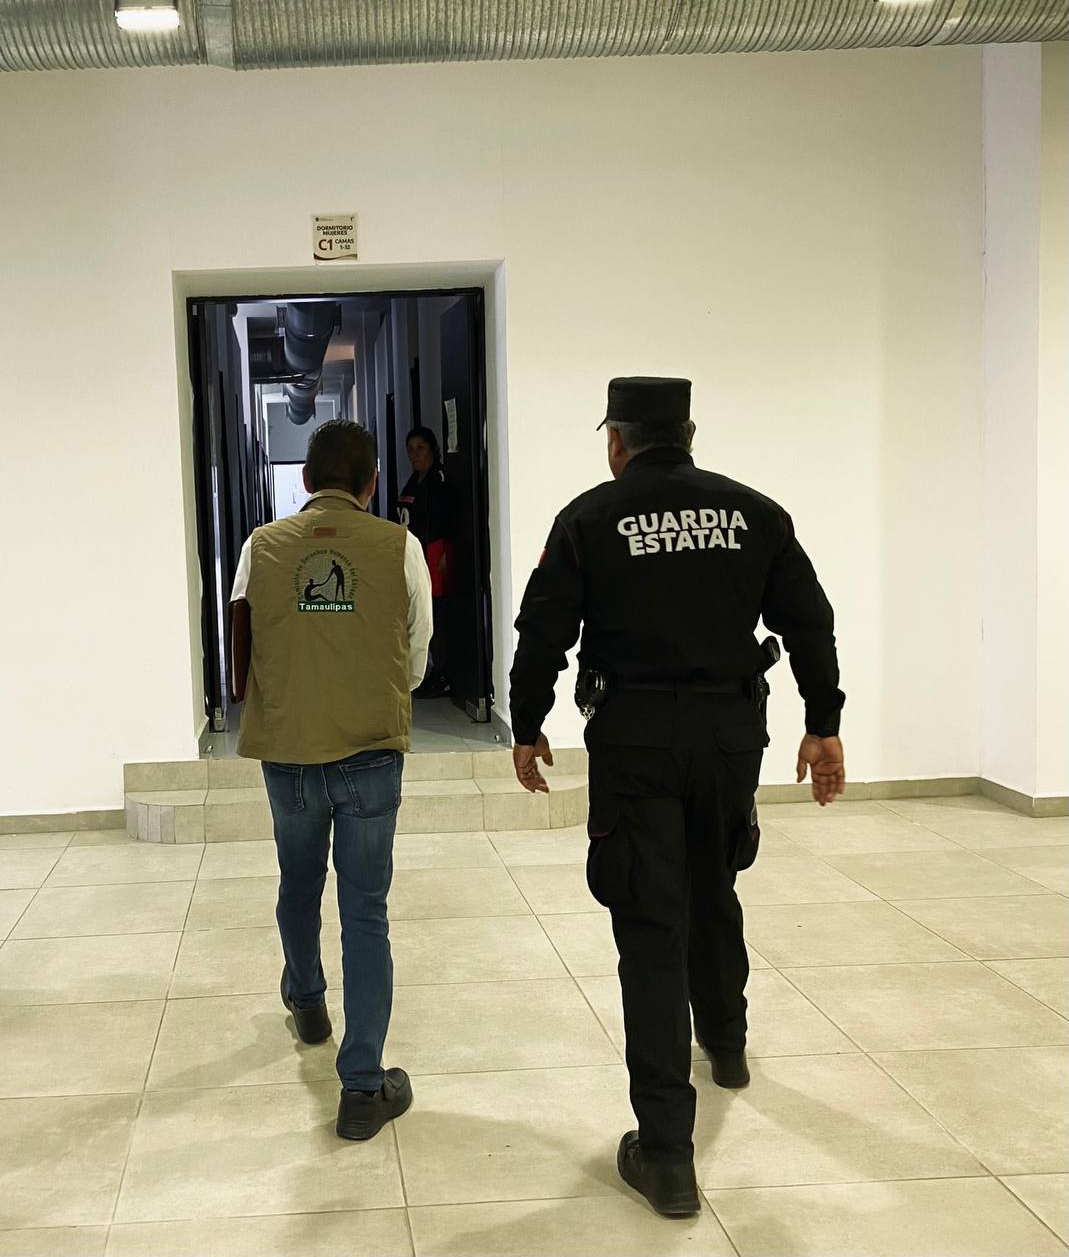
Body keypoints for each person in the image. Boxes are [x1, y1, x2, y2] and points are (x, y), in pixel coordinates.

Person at [509, 377, 846, 1218]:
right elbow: (809, 622)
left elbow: (543, 631)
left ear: (616, 442)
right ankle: (725, 1045)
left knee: (651, 928)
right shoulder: (754, 514)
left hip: (635, 744)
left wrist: (526, 721)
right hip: (729, 739)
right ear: (687, 434)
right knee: (713, 886)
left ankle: (665, 1156)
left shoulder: (589, 519)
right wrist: (823, 723)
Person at [229, 418, 432, 1142]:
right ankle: (363, 1087)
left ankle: (309, 1002)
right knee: (365, 911)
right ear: (372, 482)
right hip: (370, 750)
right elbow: (417, 648)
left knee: (298, 882)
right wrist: (380, 690)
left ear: (307, 480)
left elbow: (241, 639)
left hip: (288, 751)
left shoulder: (260, 546)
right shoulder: (400, 545)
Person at [396, 426, 455, 698]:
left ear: (432, 449)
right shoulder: (412, 482)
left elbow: (450, 519)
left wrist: (446, 554)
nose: (415, 454)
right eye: (410, 449)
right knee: (419, 611)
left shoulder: (439, 479)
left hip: (435, 553)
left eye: (420, 448)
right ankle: (429, 670)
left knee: (438, 615)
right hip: (415, 553)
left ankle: (444, 672)